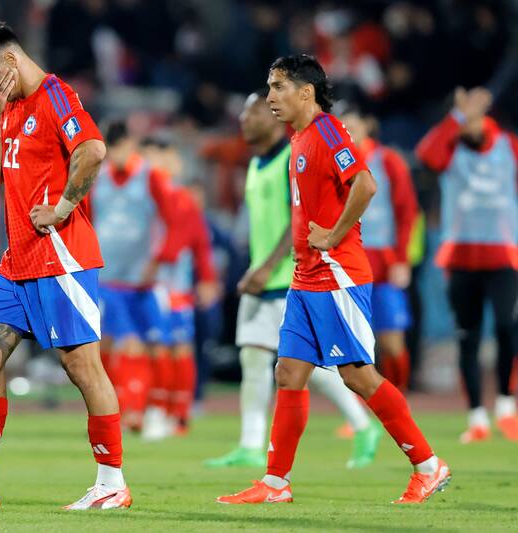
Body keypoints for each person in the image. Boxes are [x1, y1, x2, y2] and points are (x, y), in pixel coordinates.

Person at [0, 22, 131, 511]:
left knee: (82, 367)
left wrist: (61, 206)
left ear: (11, 63)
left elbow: (92, 150)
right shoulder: (7, 106)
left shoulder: (55, 95)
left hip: (62, 257)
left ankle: (112, 481)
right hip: (16, 262)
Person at [217, 55, 449, 505]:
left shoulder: (326, 131)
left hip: (337, 274)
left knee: (358, 376)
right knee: (288, 373)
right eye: (269, 87)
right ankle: (275, 483)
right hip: (306, 277)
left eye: (278, 86)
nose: (270, 97)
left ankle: (427, 465)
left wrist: (334, 234)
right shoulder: (300, 137)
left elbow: (364, 183)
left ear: (306, 92)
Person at [206, 90, 381, 471]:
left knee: (313, 368)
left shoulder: (295, 153)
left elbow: (296, 220)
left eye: (252, 112)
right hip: (261, 277)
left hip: (292, 278)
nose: (245, 120)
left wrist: (268, 266)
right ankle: (252, 444)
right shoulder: (256, 164)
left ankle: (362, 425)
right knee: (256, 359)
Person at [415, 87, 518, 443]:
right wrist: (457, 117)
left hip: (504, 254)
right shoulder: (450, 147)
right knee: (468, 338)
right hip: (460, 256)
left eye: (471, 117)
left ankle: (506, 405)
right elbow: (425, 154)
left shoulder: (508, 145)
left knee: (507, 327)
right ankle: (476, 417)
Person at [92, 121, 177, 434]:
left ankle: (153, 410)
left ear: (132, 146)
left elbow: (173, 221)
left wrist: (159, 261)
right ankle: (127, 412)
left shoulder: (149, 176)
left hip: (143, 280)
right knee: (119, 345)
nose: (118, 155)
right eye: (112, 149)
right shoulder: (97, 179)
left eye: (123, 147)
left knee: (153, 346)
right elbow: (87, 220)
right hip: (108, 278)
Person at [141, 138, 220, 438]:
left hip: (173, 284)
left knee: (176, 349)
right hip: (147, 283)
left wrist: (207, 279)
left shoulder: (180, 198)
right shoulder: (142, 195)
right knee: (153, 348)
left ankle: (177, 413)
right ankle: (154, 409)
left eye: (156, 157)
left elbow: (198, 241)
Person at [340, 107, 419, 392]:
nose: (346, 132)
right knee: (353, 340)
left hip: (383, 260)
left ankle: (399, 399)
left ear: (366, 125)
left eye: (351, 125)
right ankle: (362, 413)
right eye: (342, 127)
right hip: (347, 259)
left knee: (390, 340)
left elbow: (407, 211)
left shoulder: (387, 161)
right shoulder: (334, 163)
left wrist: (401, 259)